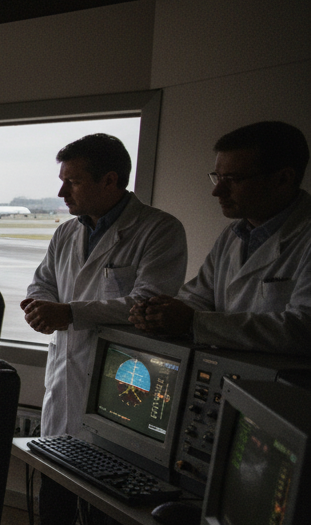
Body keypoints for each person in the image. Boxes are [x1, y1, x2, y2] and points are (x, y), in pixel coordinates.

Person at [3, 133, 187, 525]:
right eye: (62, 182)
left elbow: (147, 304)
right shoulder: (67, 231)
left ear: (111, 180)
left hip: (121, 380)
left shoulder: (158, 230)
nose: (63, 192)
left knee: (111, 491)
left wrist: (69, 313)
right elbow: (42, 282)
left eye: (73, 182)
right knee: (55, 482)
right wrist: (39, 306)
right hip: (65, 375)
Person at [130, 121, 311, 355]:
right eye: (218, 177)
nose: (217, 191)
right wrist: (158, 312)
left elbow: (303, 329)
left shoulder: (304, 236)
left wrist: (193, 323)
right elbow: (197, 296)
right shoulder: (233, 234)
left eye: (233, 180)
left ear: (283, 179)